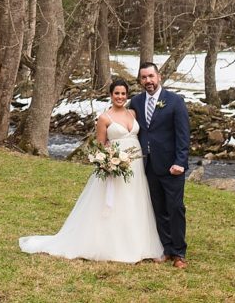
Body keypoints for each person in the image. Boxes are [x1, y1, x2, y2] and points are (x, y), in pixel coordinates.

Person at [19, 78, 164, 263]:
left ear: (127, 95)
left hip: (135, 166)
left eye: (123, 93)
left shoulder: (133, 114)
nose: (120, 97)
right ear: (111, 95)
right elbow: (99, 146)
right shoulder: (105, 118)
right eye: (116, 93)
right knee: (115, 204)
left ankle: (139, 245)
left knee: (135, 202)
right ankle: (112, 246)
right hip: (115, 167)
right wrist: (109, 162)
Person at [132, 61, 191, 269]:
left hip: (171, 166)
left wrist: (180, 162)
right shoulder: (136, 103)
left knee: (175, 208)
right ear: (140, 81)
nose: (148, 81)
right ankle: (166, 248)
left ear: (159, 77)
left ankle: (179, 253)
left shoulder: (175, 101)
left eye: (151, 76)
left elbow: (183, 135)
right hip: (148, 166)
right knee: (158, 209)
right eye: (144, 78)